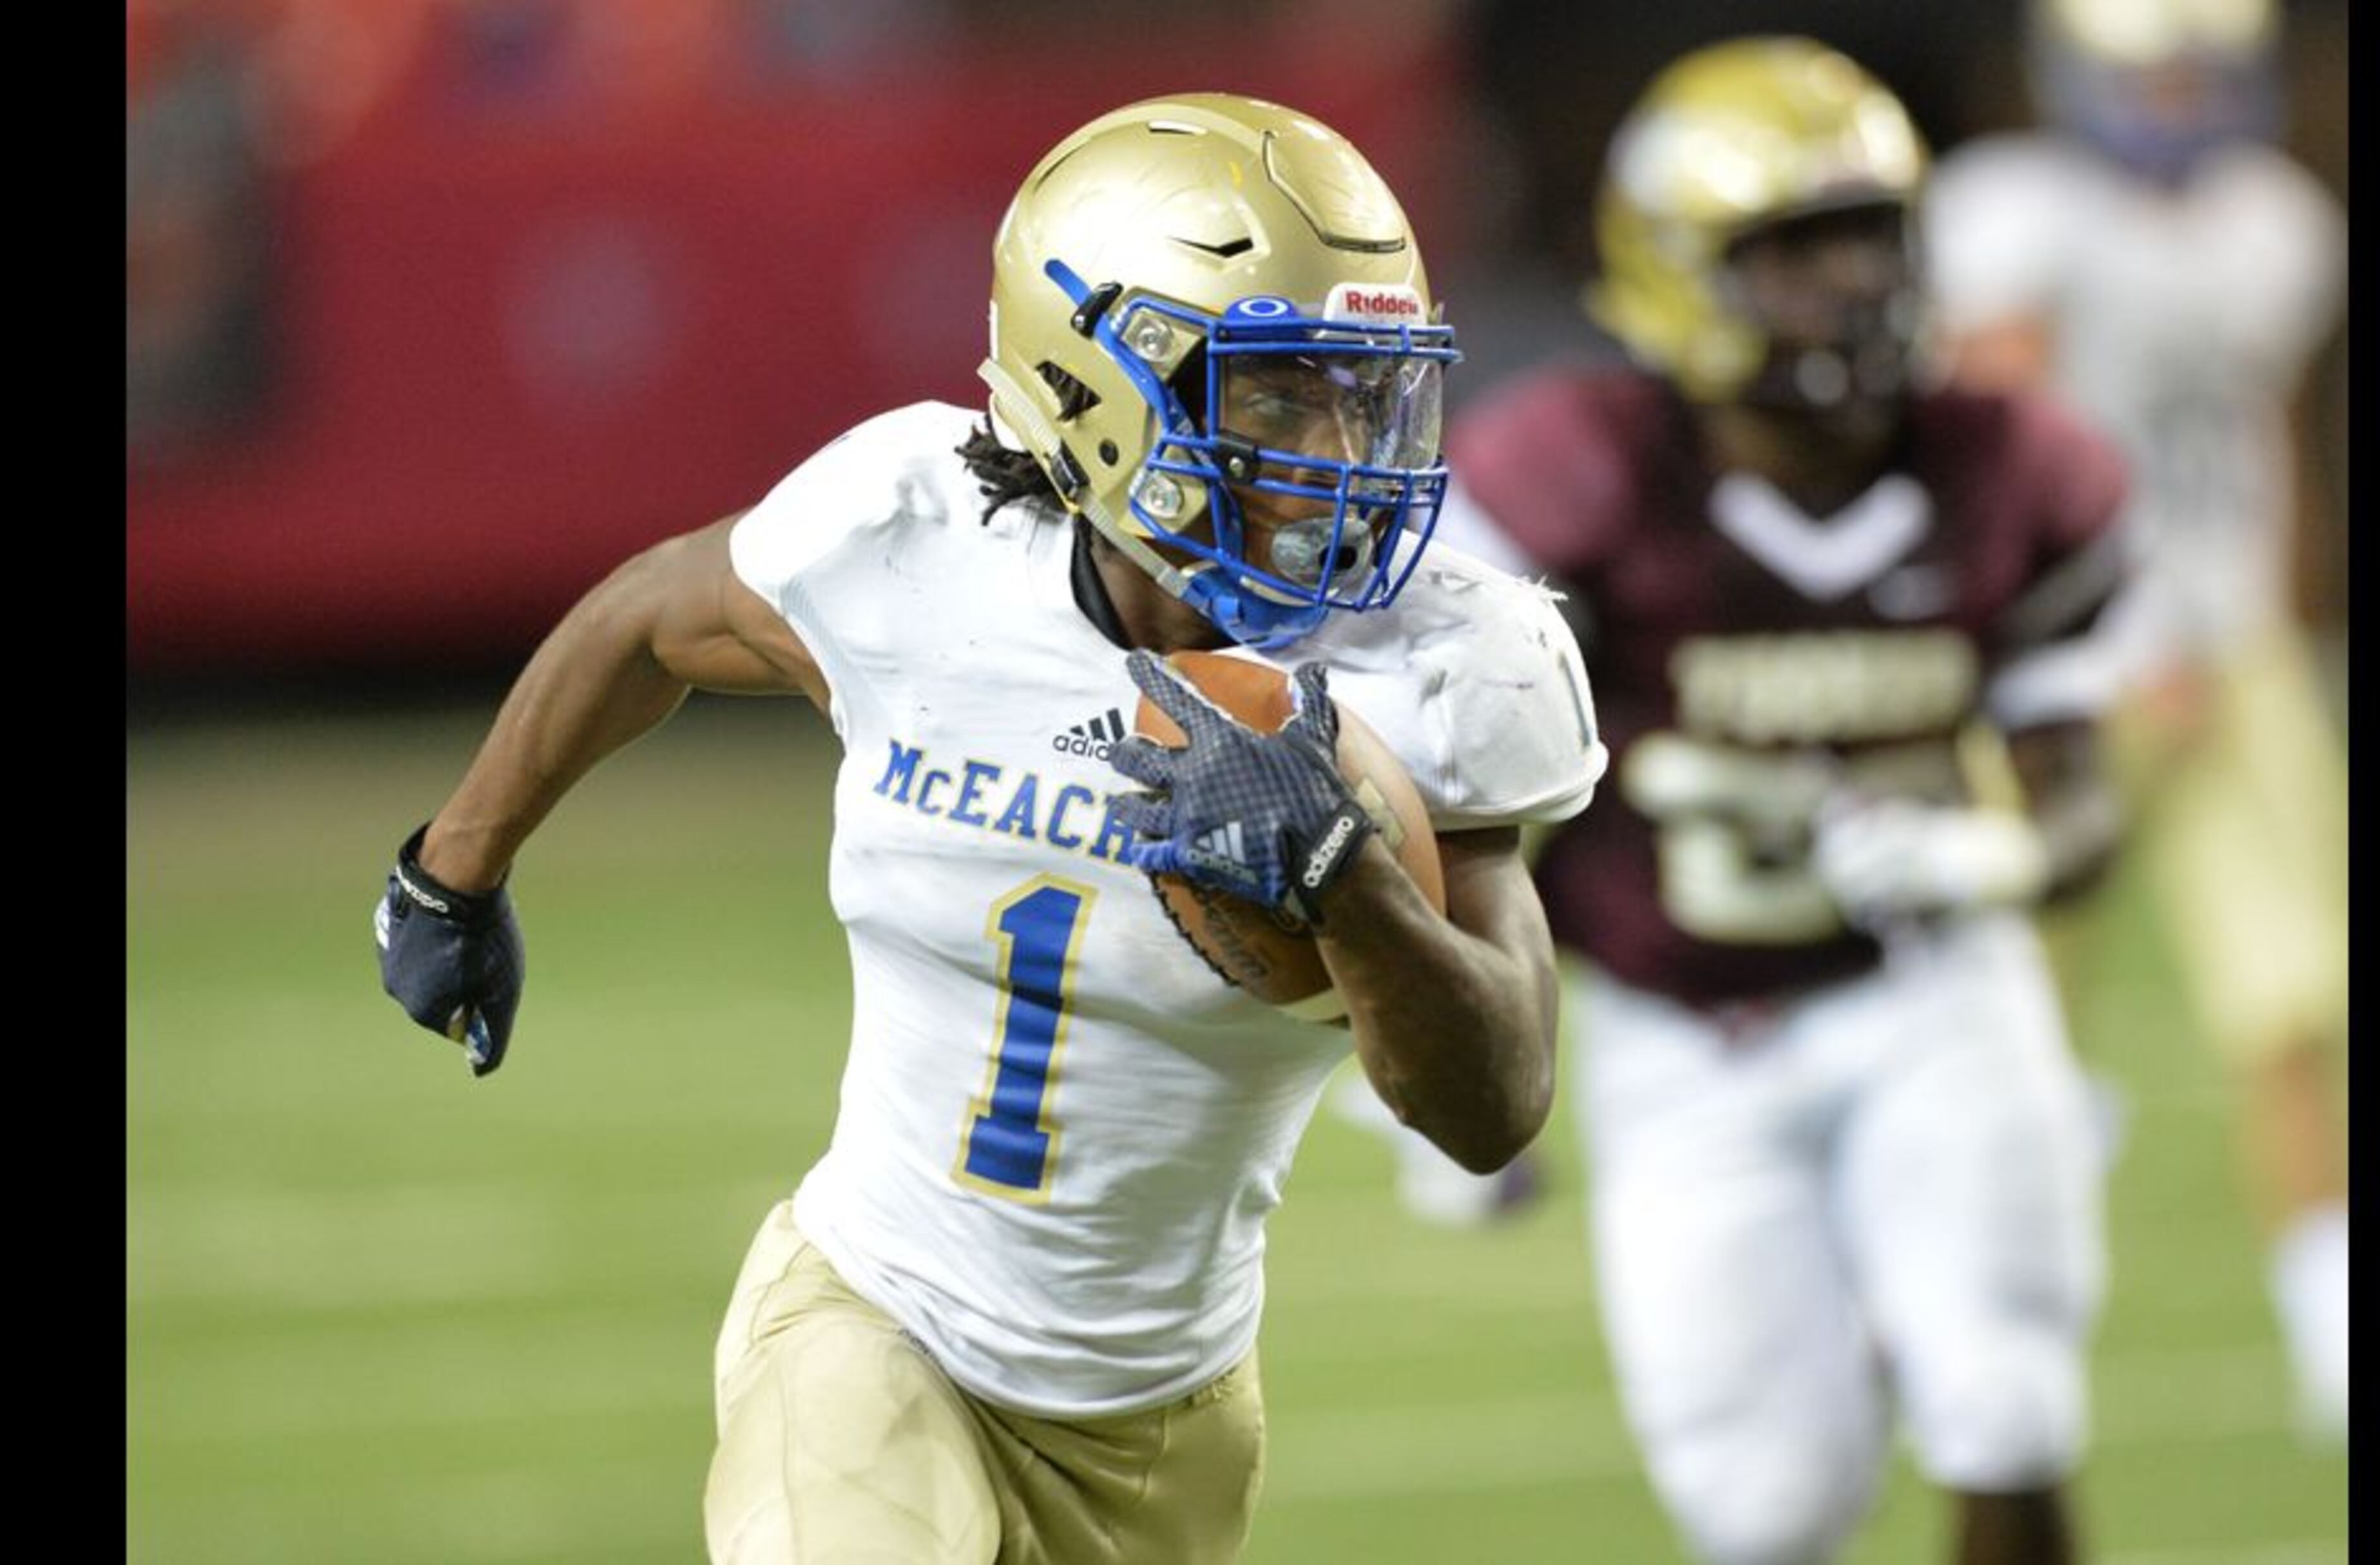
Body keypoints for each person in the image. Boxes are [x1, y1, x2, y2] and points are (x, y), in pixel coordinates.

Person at [369, 91, 1603, 1563]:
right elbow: (653, 620)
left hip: (1163, 1415)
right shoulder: (913, 538)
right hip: (872, 1318)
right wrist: (452, 873)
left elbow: (1493, 1103)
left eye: (1362, 390)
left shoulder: (1444, 664)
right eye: (1278, 397)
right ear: (1094, 388)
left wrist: (1343, 880)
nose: (1338, 450)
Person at [1386, 38, 2133, 1565]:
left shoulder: (2015, 465)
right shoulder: (1570, 475)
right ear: (1675, 273)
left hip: (1933, 992)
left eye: (1870, 235)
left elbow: (2083, 803)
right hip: (1681, 1034)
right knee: (1765, 1504)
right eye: (1792, 249)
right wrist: (1445, 1044)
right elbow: (1456, 795)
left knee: (2006, 1401)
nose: (1851, 282)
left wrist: (1990, 852)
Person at [1924, 0, 2348, 1445]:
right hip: (2068, 664)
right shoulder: (2019, 216)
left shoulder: (2275, 223)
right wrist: (2115, 626)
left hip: (2233, 653)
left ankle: (2331, 1323)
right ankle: (1964, 1313)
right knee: (1994, 1009)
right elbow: (2000, 447)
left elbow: (2271, 440)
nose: (2172, 101)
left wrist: (2268, 616)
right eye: (2146, 72)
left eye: (2195, 73)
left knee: (2290, 1002)